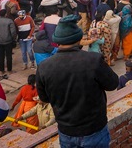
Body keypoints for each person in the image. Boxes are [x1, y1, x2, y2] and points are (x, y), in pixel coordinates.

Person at [36, 15, 119, 148]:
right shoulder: (93, 60)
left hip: (66, 131)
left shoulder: (44, 67)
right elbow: (113, 84)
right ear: (78, 38)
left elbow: (44, 98)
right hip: (93, 129)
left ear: (57, 41)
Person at [0, 9, 17, 78]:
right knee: (9, 55)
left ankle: (2, 70)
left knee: (1, 56)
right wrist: (13, 39)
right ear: (6, 14)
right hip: (8, 41)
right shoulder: (9, 21)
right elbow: (13, 32)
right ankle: (9, 70)